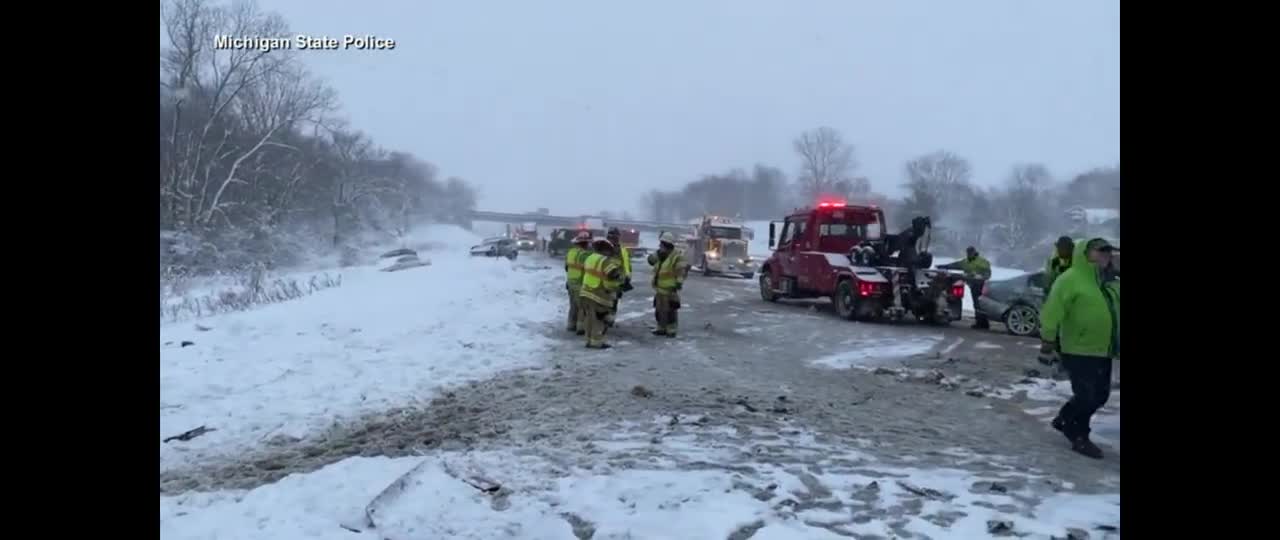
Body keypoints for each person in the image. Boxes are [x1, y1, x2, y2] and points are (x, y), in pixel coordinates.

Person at [1038, 237, 1120, 459]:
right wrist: (1048, 338)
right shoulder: (1070, 279)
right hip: (1078, 348)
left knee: (1100, 396)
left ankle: (1064, 418)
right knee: (1086, 396)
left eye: (1107, 251)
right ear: (1085, 253)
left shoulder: (1110, 281)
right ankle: (1078, 435)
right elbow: (1053, 309)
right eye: (1100, 251)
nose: (1105, 255)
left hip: (1103, 348)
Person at [578, 239, 625, 349]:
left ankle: (589, 340)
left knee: (589, 318)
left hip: (585, 292)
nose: (610, 254)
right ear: (605, 250)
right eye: (609, 251)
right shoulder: (604, 261)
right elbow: (613, 273)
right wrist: (620, 280)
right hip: (598, 294)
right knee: (599, 319)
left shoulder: (590, 258)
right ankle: (597, 342)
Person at [646, 232, 689, 337]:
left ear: (668, 245)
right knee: (659, 310)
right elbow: (650, 261)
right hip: (659, 288)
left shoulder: (677, 256)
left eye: (662, 244)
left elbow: (681, 271)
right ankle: (661, 328)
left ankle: (671, 330)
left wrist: (678, 283)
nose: (660, 246)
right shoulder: (661, 255)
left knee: (671, 311)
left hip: (670, 289)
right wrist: (657, 253)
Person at [939, 246, 993, 329]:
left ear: (974, 252)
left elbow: (988, 273)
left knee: (979, 304)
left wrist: (981, 276)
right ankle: (981, 322)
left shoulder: (982, 261)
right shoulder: (966, 262)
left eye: (971, 252)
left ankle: (983, 322)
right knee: (976, 304)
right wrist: (943, 266)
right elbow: (956, 265)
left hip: (980, 285)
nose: (969, 254)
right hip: (973, 285)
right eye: (968, 253)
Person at [604, 228, 635, 327]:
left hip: (617, 284)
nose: (613, 239)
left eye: (615, 237)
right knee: (603, 304)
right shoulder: (603, 250)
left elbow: (627, 265)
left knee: (613, 304)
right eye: (611, 237)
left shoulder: (622, 251)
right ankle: (603, 323)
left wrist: (628, 277)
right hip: (603, 283)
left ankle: (609, 321)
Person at [563, 231, 593, 333]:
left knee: (573, 305)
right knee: (583, 306)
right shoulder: (586, 255)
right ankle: (581, 327)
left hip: (570, 282)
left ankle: (571, 324)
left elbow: (566, 267)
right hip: (581, 283)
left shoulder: (570, 252)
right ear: (585, 243)